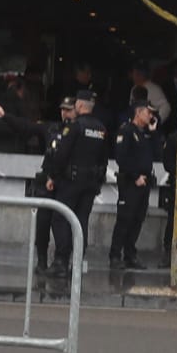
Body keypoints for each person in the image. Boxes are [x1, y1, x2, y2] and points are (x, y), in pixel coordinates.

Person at [0, 95, 74, 271]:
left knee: (63, 223)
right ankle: (42, 260)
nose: (64, 113)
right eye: (62, 109)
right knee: (42, 222)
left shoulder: (79, 131)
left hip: (67, 182)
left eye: (68, 110)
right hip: (48, 181)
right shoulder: (52, 128)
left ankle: (62, 261)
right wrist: (5, 116)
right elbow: (27, 127)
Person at [57, 89, 111, 273]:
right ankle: (78, 260)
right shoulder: (102, 129)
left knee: (62, 218)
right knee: (82, 221)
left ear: (79, 105)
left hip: (71, 181)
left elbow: (62, 154)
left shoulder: (75, 126)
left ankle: (62, 261)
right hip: (91, 182)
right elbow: (104, 158)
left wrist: (54, 176)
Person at [111, 101, 160, 268]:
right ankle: (115, 255)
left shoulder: (145, 134)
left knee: (138, 220)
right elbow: (121, 158)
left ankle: (130, 254)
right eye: (148, 113)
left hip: (144, 182)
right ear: (138, 113)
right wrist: (134, 176)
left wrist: (153, 134)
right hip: (130, 183)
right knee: (124, 219)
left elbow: (157, 152)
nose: (151, 116)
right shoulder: (126, 131)